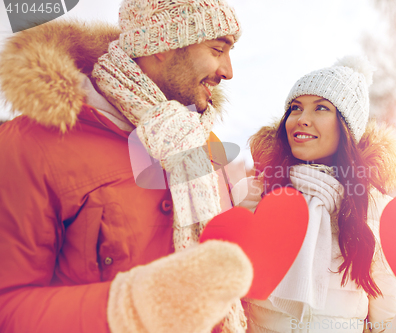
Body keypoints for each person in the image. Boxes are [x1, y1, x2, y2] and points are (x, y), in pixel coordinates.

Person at [0, 0, 254, 332]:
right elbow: (8, 306)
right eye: (217, 49)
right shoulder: (32, 145)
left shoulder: (203, 143)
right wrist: (134, 306)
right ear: (163, 45)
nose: (228, 71)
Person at [232, 56, 396, 332]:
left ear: (347, 127)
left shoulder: (375, 210)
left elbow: (387, 326)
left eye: (321, 108)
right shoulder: (255, 194)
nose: (302, 119)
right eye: (295, 108)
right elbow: (225, 305)